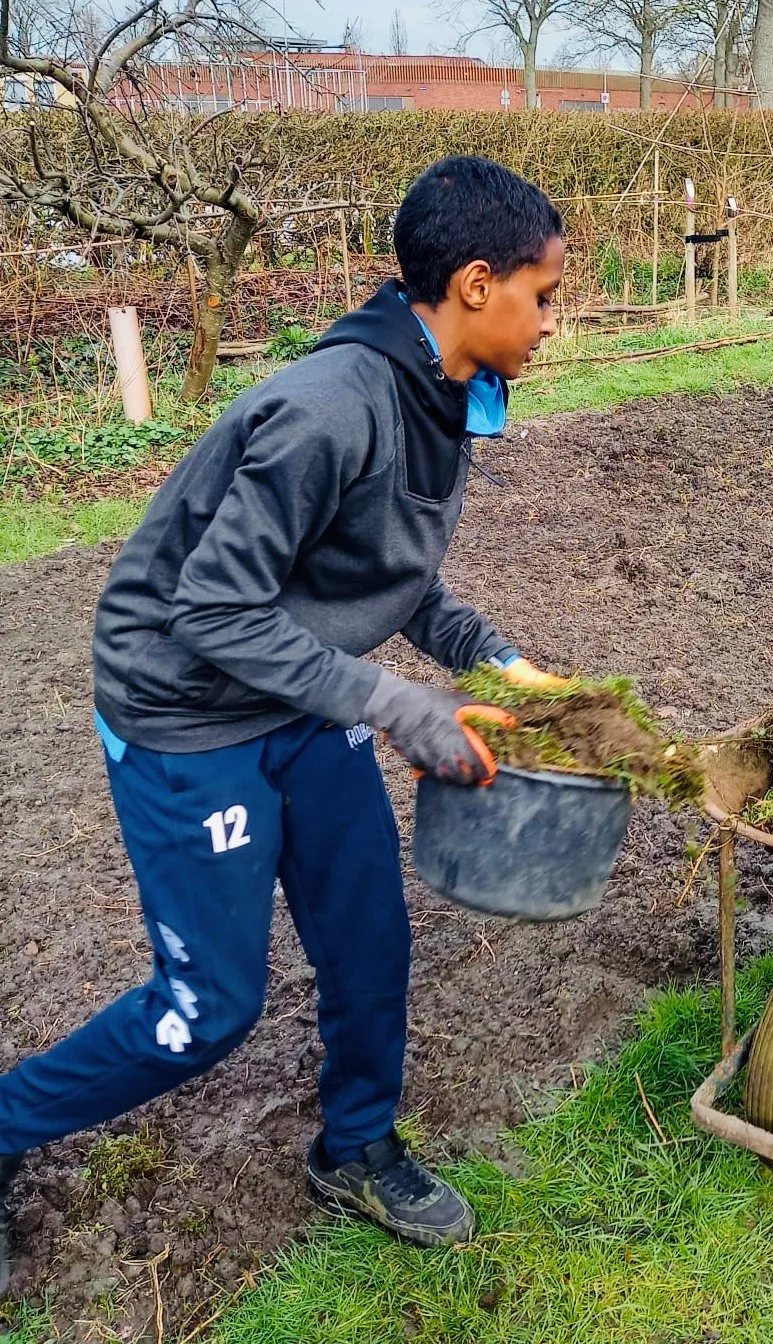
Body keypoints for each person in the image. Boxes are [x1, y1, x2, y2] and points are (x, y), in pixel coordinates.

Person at [0, 156, 570, 1290]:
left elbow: (383, 572)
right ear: (472, 284)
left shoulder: (446, 395)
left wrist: (491, 657)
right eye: (544, 295)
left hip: (305, 689)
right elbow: (212, 608)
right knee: (209, 1009)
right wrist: (394, 701)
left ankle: (355, 1148)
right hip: (189, 711)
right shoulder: (322, 410)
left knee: (369, 936)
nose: (552, 323)